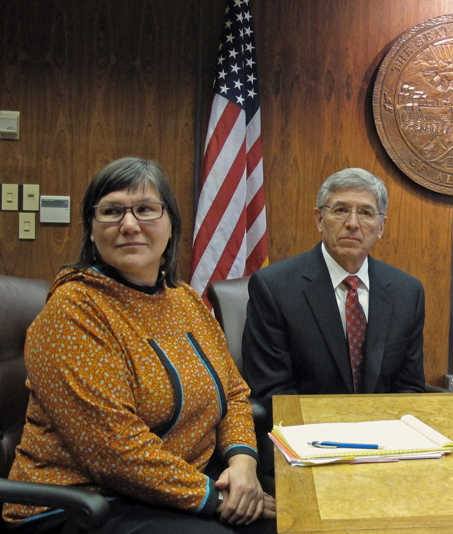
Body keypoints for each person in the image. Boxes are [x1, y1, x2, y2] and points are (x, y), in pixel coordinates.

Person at [2, 158, 275, 534]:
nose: (129, 225)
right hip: (82, 502)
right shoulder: (72, 312)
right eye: (112, 211)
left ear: (170, 225)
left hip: (178, 489)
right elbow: (114, 453)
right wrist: (217, 498)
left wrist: (243, 463)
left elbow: (234, 394)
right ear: (92, 232)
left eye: (145, 209)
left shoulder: (186, 301)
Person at [242, 167, 425, 443]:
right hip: (305, 440)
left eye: (365, 212)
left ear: (381, 227)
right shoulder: (274, 287)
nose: (353, 223)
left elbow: (409, 387)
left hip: (385, 442)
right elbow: (273, 392)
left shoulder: (406, 292)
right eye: (340, 210)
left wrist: (383, 441)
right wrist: (343, 439)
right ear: (319, 219)